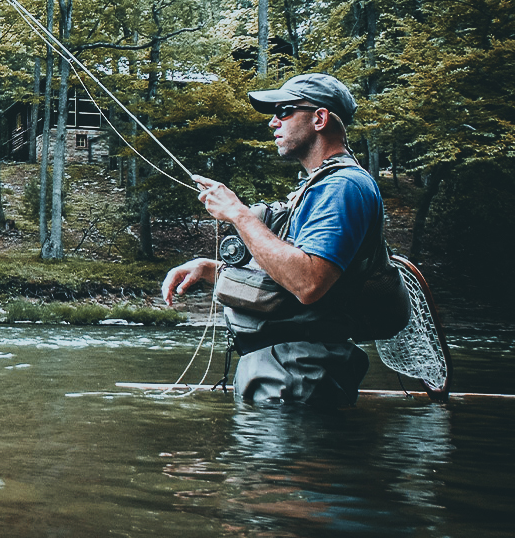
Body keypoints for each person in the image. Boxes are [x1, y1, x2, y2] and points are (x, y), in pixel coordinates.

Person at [162, 73, 387, 407]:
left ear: (320, 118)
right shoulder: (320, 187)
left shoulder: (343, 187)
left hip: (300, 377)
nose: (272, 122)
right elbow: (284, 272)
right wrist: (211, 270)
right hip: (288, 373)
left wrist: (238, 213)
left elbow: (308, 282)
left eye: (284, 111)